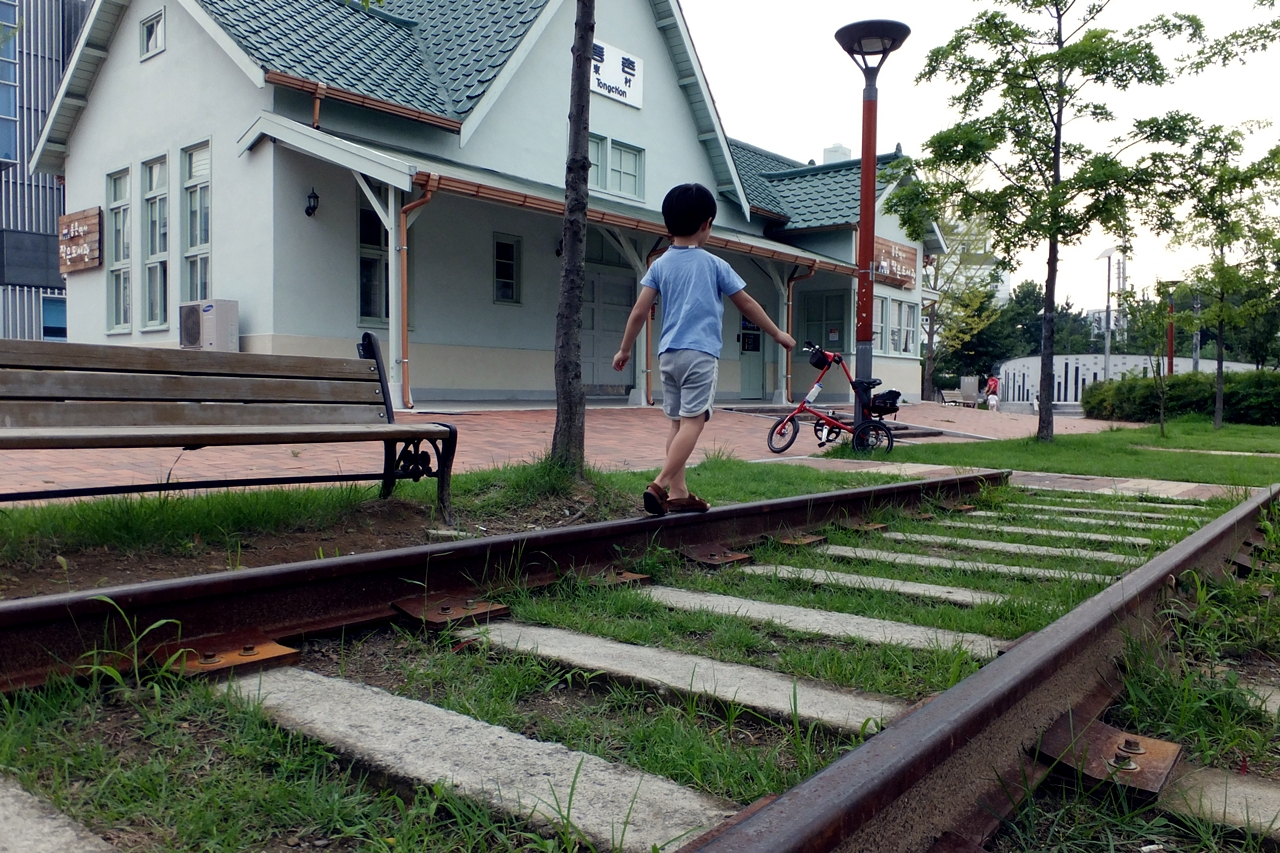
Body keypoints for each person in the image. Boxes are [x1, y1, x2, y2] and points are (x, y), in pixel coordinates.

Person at [613, 183, 795, 516]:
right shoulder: (714, 264)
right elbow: (747, 304)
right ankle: (660, 485)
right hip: (699, 355)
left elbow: (639, 311)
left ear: (668, 225)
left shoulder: (660, 265)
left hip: (667, 355)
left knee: (676, 424)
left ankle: (681, 493)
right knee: (694, 422)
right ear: (706, 224)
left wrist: (624, 349)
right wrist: (777, 333)